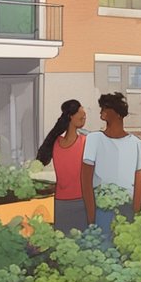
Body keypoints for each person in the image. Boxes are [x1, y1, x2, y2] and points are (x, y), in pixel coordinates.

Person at [81, 93, 141, 236]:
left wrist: (135, 216)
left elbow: (139, 183)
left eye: (106, 108)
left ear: (118, 113)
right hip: (101, 210)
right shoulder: (94, 140)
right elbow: (86, 181)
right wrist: (91, 218)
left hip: (127, 210)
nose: (101, 112)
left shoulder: (137, 144)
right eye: (102, 108)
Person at [36, 100, 88, 234]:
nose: (84, 118)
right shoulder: (84, 142)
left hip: (62, 202)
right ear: (71, 116)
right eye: (81, 115)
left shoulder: (56, 142)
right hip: (79, 202)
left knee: (64, 242)